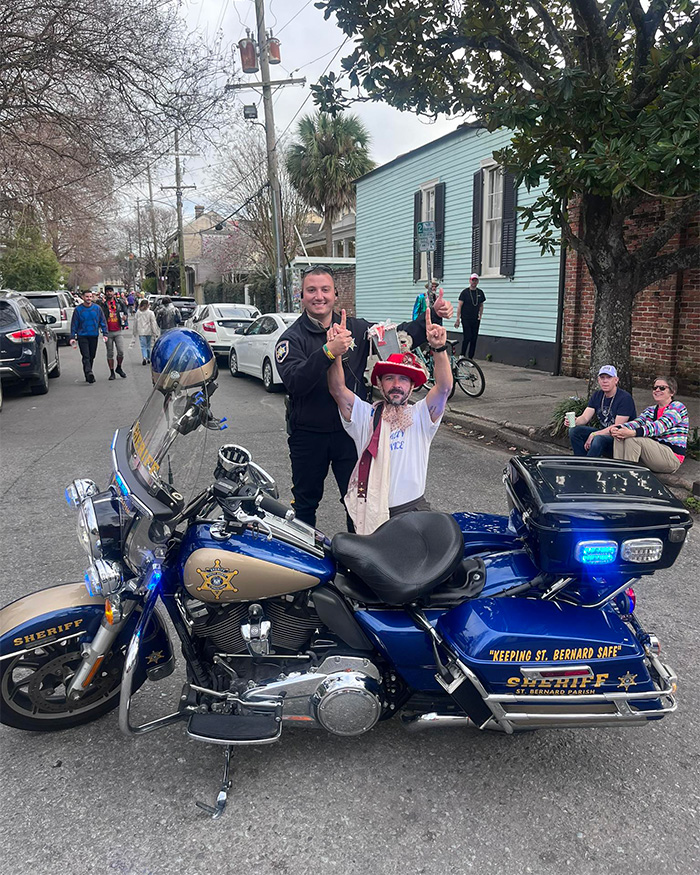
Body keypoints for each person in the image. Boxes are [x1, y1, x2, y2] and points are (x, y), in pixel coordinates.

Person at [275, 264, 453, 528]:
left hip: (353, 432)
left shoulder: (356, 329)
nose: (318, 296)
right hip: (309, 434)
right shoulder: (291, 339)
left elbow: (398, 338)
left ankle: (357, 563)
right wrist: (328, 351)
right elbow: (295, 382)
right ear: (301, 296)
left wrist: (434, 319)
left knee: (360, 501)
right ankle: (305, 565)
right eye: (311, 290)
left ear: (336, 295)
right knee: (305, 504)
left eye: (325, 290)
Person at [327, 307, 452, 534]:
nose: (396, 385)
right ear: (379, 384)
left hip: (414, 512)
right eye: (389, 378)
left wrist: (439, 349)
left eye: (404, 379)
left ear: (412, 386)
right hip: (373, 513)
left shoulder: (422, 416)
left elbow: (443, 388)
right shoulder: (365, 416)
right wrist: (335, 353)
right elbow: (337, 389)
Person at [611, 376, 689, 473]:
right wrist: (619, 428)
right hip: (653, 453)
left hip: (672, 457)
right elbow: (637, 422)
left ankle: (628, 477)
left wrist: (633, 433)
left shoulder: (677, 407)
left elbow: (659, 426)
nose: (657, 390)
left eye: (662, 388)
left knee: (633, 439)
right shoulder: (650, 410)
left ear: (672, 392)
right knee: (620, 435)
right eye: (655, 388)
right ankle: (617, 472)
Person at [569, 365, 636, 457]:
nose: (605, 381)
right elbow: (585, 417)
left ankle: (589, 467)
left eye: (609, 377)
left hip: (619, 440)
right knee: (574, 431)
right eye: (602, 378)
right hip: (603, 433)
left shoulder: (625, 398)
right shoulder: (597, 395)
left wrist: (594, 434)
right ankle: (580, 461)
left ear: (616, 380)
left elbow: (617, 427)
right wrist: (575, 421)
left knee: (598, 439)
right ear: (598, 380)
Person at [69, 291, 108, 383]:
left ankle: (88, 374)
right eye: (87, 296)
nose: (88, 298)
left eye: (90, 296)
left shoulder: (97, 309)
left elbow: (102, 321)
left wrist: (105, 333)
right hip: (82, 336)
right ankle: (89, 372)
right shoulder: (78, 310)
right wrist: (72, 337)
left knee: (91, 356)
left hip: (94, 335)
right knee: (86, 355)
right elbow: (74, 324)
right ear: (83, 297)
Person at [99, 285, 129, 380]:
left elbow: (125, 312)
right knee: (110, 353)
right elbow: (99, 314)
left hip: (118, 330)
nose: (109, 293)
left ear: (113, 292)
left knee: (121, 352)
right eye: (107, 291)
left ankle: (119, 367)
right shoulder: (102, 304)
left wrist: (125, 317)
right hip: (107, 332)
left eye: (110, 291)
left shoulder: (119, 302)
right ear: (105, 293)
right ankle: (112, 372)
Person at [455, 273, 485, 358]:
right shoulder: (464, 293)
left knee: (474, 338)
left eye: (475, 280)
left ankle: (470, 358)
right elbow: (459, 305)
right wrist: (458, 318)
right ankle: (462, 354)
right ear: (470, 280)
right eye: (472, 280)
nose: (474, 282)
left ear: (477, 281)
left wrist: (480, 315)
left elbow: (481, 305)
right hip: (466, 318)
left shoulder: (480, 292)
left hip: (475, 318)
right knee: (467, 336)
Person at [133, 299, 160, 365]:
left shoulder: (138, 312)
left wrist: (134, 331)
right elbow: (153, 323)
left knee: (143, 346)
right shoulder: (151, 313)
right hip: (149, 331)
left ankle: (144, 357)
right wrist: (155, 332)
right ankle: (148, 358)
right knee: (148, 345)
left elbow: (135, 322)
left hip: (141, 331)